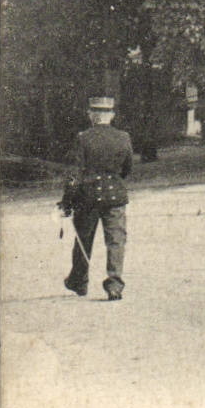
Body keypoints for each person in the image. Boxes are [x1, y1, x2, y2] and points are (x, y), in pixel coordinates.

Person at [61, 96, 133, 301]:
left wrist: (67, 200)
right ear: (112, 115)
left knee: (83, 239)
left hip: (88, 197)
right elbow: (127, 168)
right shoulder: (124, 137)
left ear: (91, 115)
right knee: (116, 241)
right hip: (115, 195)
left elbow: (74, 174)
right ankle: (115, 284)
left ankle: (79, 281)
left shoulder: (83, 138)